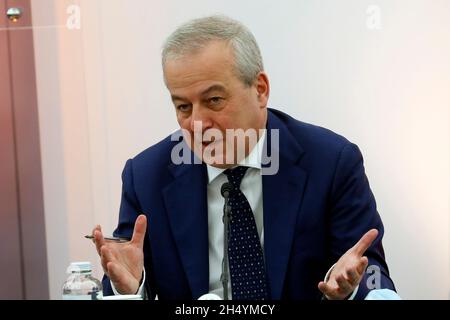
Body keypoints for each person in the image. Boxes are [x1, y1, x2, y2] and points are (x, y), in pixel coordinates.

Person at [91, 15, 397, 300]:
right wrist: (129, 290)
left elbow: (373, 275)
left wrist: (353, 289)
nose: (197, 123)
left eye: (214, 100)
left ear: (260, 90)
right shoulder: (146, 177)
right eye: (183, 107)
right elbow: (126, 273)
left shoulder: (331, 163)